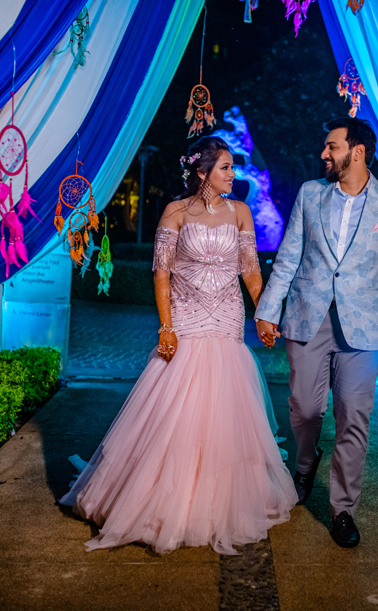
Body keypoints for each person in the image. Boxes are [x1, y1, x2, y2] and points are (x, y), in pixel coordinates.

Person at [60, 136, 297, 555]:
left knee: (224, 409)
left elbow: (250, 271)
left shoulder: (241, 212)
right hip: (185, 319)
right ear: (202, 172)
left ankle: (219, 500)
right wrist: (166, 327)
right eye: (225, 167)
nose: (233, 174)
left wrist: (264, 314)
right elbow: (161, 274)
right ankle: (161, 500)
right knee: (176, 406)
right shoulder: (175, 211)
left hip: (226, 319)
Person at [255, 117, 378, 548]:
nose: (323, 153)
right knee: (306, 409)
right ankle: (305, 463)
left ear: (357, 152)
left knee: (353, 418)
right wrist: (268, 310)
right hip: (308, 319)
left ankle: (343, 510)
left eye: (332, 146)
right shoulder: (311, 194)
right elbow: (288, 256)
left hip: (364, 329)